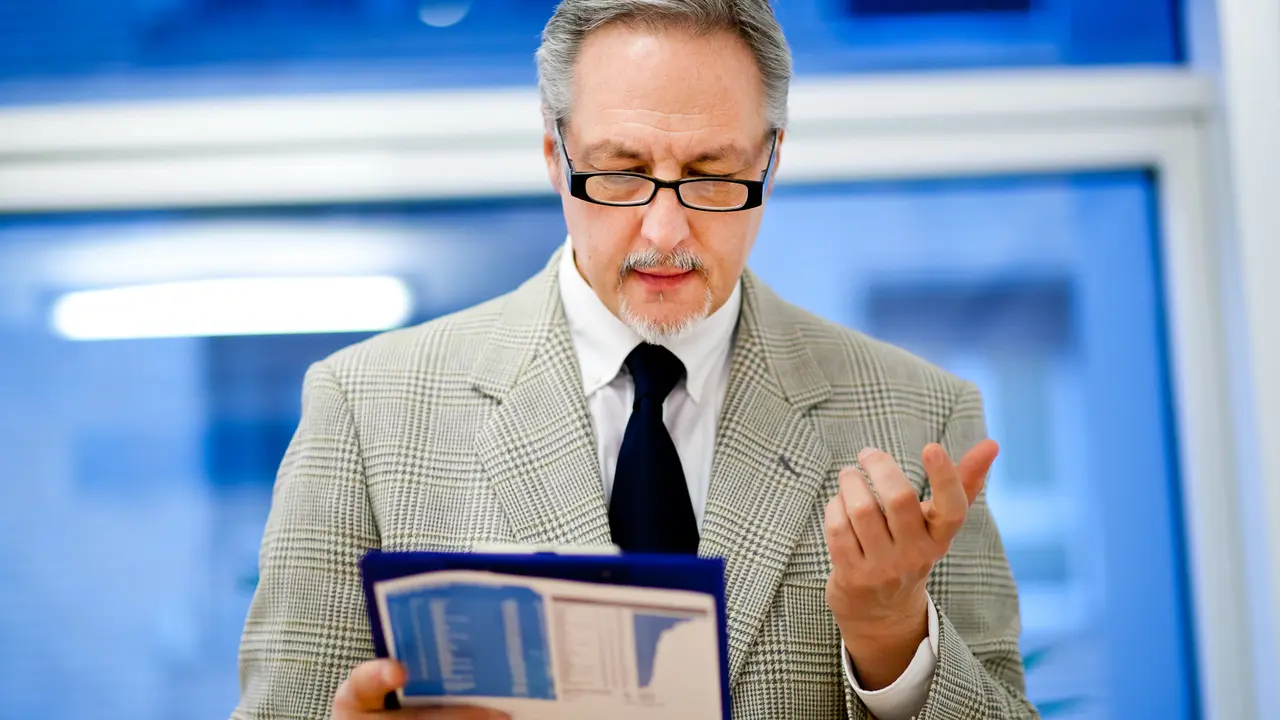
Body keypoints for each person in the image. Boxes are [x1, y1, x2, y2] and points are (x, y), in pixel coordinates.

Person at [232, 1, 1038, 718]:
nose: (663, 234)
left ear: (771, 160)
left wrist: (895, 641)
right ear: (555, 155)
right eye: (619, 173)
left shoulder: (917, 414)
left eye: (712, 175)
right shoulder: (368, 408)